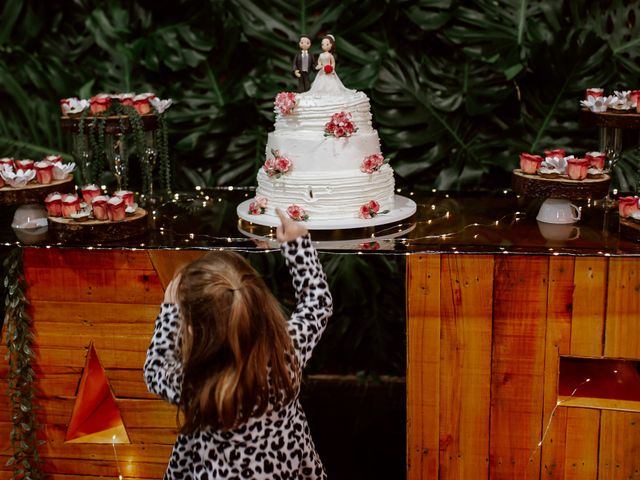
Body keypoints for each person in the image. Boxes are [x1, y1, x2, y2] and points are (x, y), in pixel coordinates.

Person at [144, 208, 333, 479]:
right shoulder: (286, 352)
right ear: (262, 306)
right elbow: (318, 302)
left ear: (192, 331)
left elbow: (155, 368)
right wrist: (297, 245)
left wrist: (169, 312)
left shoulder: (196, 384)